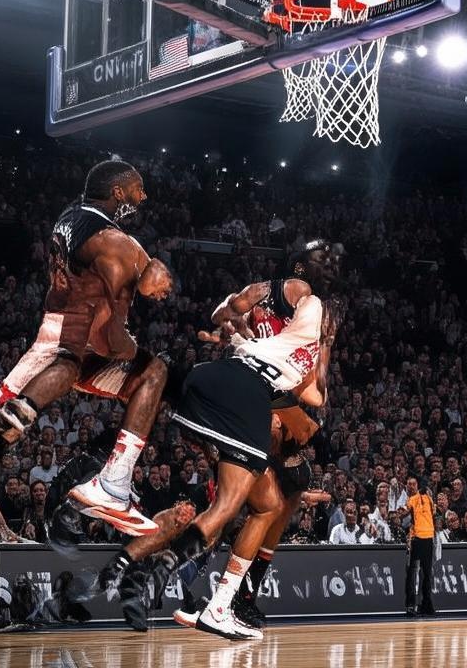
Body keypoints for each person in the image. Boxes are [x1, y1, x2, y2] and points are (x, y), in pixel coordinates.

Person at [0, 160, 173, 539]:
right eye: (137, 188)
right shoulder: (116, 246)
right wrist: (144, 281)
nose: (143, 196)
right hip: (73, 345)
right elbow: (110, 334)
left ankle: (111, 482)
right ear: (118, 192)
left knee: (151, 374)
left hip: (56, 341)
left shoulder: (73, 217)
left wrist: (148, 267)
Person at [132, 244, 338, 642]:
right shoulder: (299, 305)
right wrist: (242, 319)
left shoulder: (282, 335)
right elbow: (313, 396)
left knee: (259, 504)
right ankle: (197, 591)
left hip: (220, 385)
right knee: (236, 508)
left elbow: (312, 398)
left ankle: (213, 597)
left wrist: (235, 327)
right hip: (243, 399)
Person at [399, 475, 436, 616]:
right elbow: (404, 512)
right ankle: (411, 605)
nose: (412, 486)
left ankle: (426, 604)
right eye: (409, 484)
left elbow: (433, 514)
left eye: (414, 484)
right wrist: (399, 512)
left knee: (426, 574)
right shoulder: (411, 500)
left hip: (428, 538)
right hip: (416, 539)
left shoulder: (429, 499)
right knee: (413, 572)